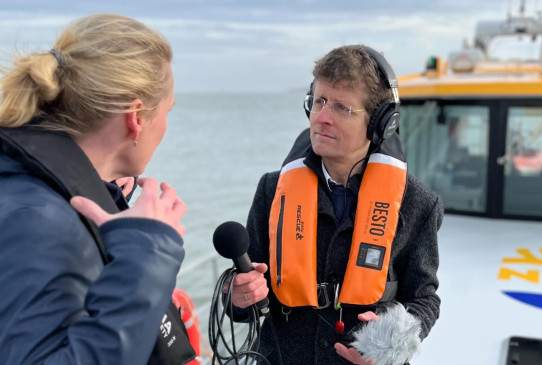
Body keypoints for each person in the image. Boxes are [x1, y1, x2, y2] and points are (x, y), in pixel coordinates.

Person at [0, 14, 196, 364]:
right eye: (168, 111)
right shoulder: (39, 219)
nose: (166, 125)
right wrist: (148, 256)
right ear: (136, 118)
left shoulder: (41, 191)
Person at [230, 45, 443, 364]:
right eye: (319, 102)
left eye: (342, 108)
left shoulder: (418, 203)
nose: (322, 119)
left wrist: (388, 349)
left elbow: (424, 299)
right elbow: (249, 289)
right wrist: (238, 296)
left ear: (379, 124)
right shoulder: (272, 189)